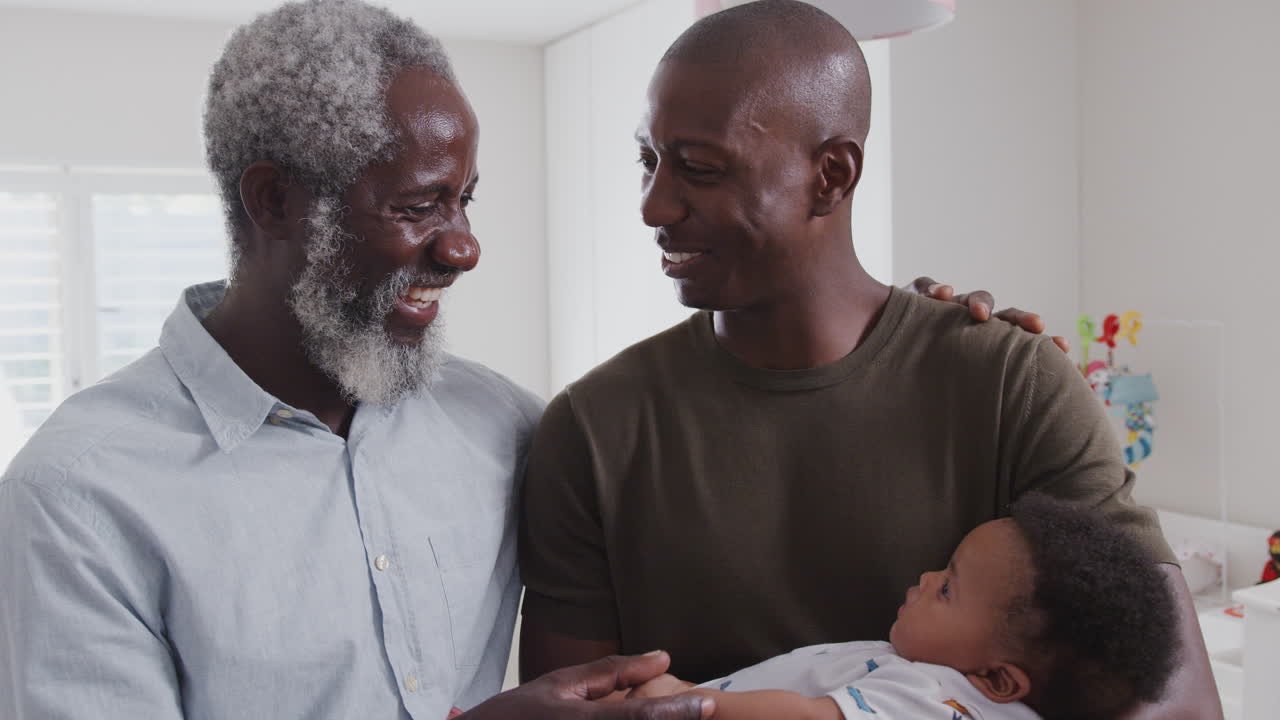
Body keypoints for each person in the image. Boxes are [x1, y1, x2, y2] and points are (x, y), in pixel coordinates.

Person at [0, 1, 712, 718]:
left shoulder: (506, 429)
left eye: (463, 200)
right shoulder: (78, 497)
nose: (464, 248)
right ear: (275, 201)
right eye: (418, 205)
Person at [516, 2, 1221, 717]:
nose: (653, 205)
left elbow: (1179, 706)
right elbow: (571, 711)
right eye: (649, 159)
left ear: (832, 174)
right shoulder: (591, 429)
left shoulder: (1012, 384)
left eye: (698, 168)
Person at [623, 494, 1181, 720]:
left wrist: (685, 703)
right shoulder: (960, 690)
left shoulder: (936, 700)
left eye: (947, 589)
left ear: (997, 678)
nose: (926, 576)